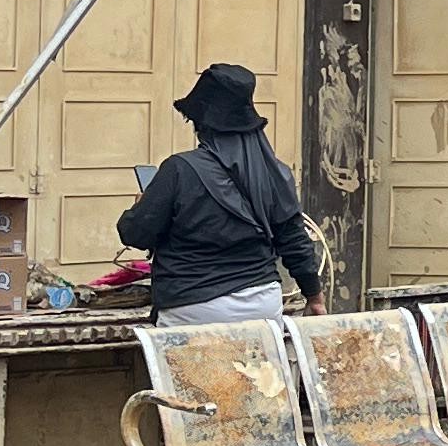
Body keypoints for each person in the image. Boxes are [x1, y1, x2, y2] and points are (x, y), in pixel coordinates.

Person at [118, 64, 327, 326]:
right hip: (263, 304)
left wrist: (142, 207)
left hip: (193, 306)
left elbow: (135, 234)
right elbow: (294, 240)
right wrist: (314, 296)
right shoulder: (276, 173)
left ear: (202, 124)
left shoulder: (179, 170)